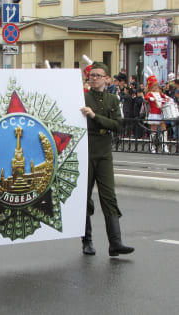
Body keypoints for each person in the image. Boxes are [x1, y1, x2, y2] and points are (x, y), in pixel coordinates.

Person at [80, 61, 134, 257]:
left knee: (108, 196)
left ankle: (115, 243)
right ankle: (87, 241)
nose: (94, 79)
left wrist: (95, 117)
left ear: (106, 79)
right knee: (84, 198)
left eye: (98, 75)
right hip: (86, 151)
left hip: (104, 153)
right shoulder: (82, 97)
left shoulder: (112, 100)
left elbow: (118, 125)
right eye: (91, 75)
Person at [144, 75, 169, 153]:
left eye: (156, 85)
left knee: (164, 129)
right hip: (154, 113)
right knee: (153, 130)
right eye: (154, 86)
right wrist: (152, 98)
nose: (155, 87)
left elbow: (165, 97)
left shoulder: (159, 93)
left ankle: (164, 146)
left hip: (160, 113)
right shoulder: (150, 93)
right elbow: (146, 97)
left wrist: (168, 99)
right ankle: (152, 146)